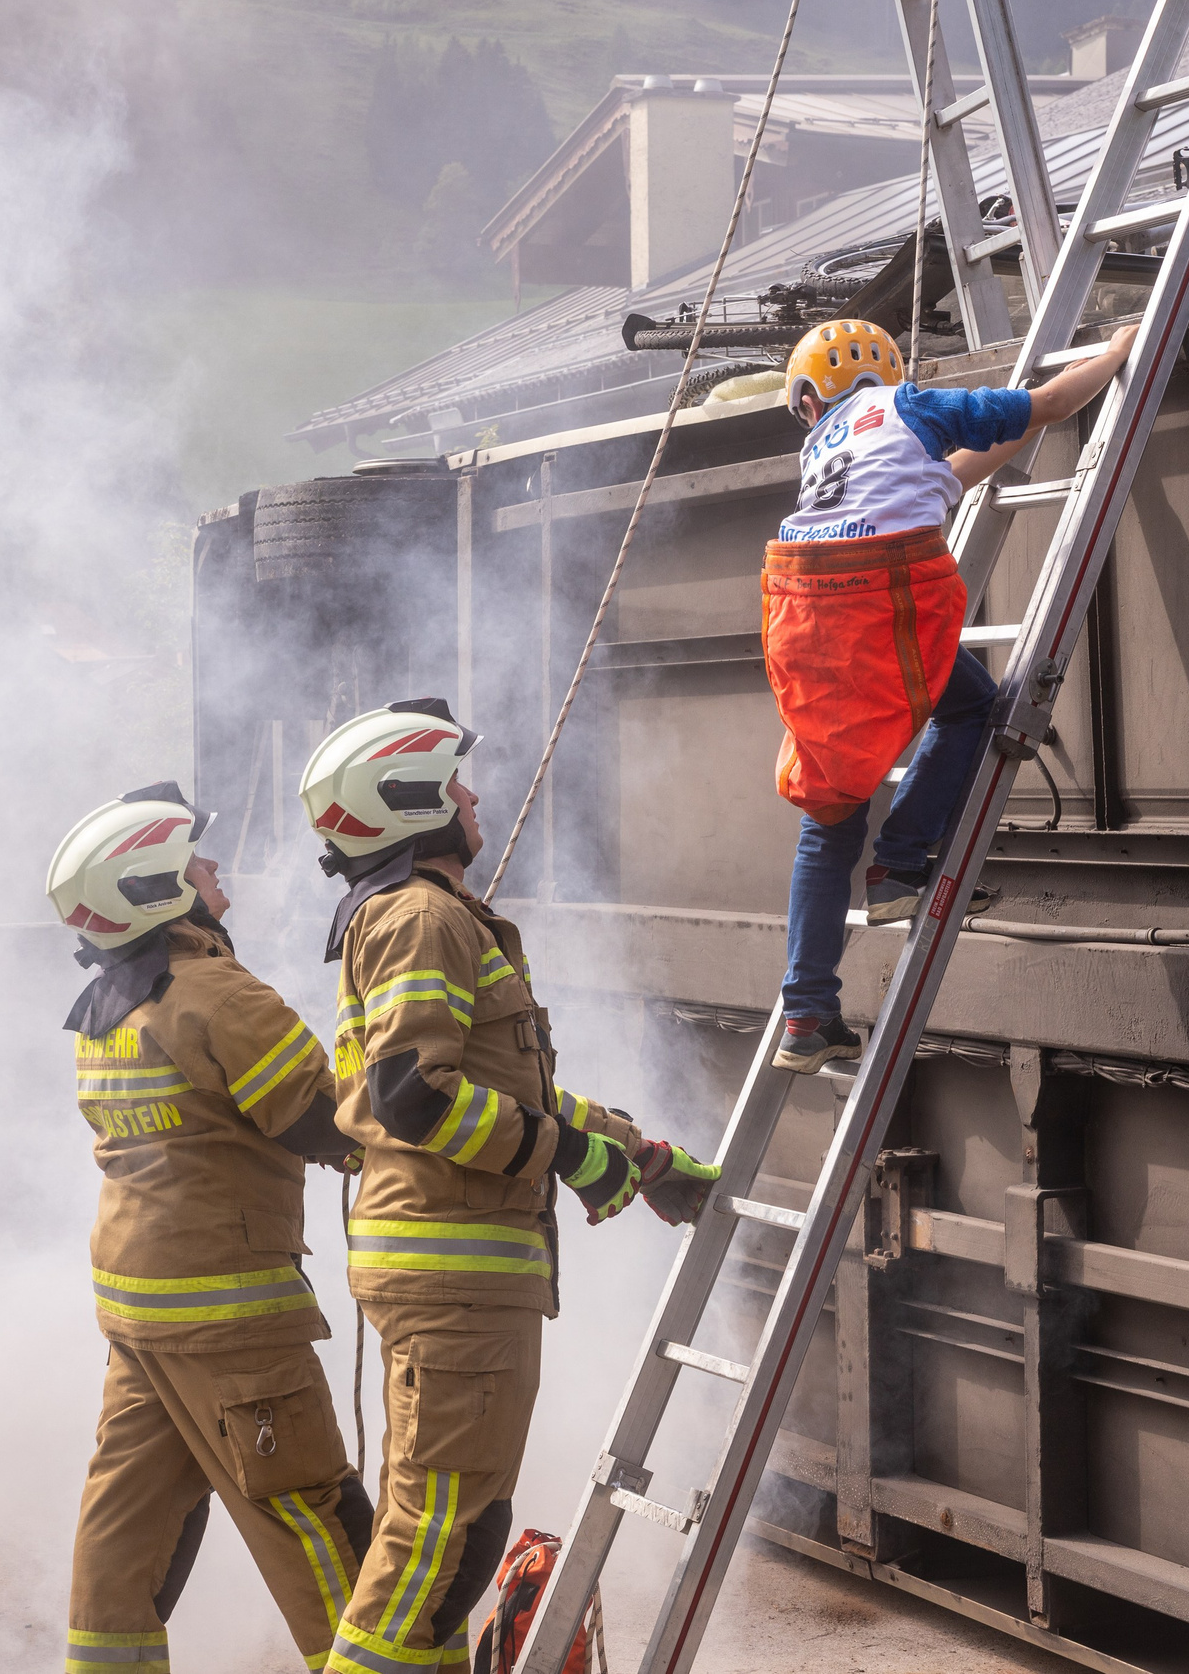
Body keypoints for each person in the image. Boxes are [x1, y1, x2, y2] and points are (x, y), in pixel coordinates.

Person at [298, 699, 721, 1674]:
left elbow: (494, 1086)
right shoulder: (418, 918)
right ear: (407, 806)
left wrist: (631, 1151)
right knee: (436, 1551)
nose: (474, 795)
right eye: (451, 783)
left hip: (456, 1282)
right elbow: (413, 1097)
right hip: (454, 1285)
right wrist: (569, 1156)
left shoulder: (426, 919)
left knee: (449, 1545)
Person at [47, 780, 373, 1674]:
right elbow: (320, 1117)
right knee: (312, 1511)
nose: (215, 865)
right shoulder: (212, 992)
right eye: (194, 859)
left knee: (128, 1519)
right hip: (230, 1319)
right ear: (158, 890)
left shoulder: (103, 1008)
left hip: (143, 1315)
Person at [764, 316, 1141, 1072]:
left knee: (830, 809)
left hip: (800, 607)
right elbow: (1051, 406)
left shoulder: (822, 448)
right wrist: (1116, 354)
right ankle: (900, 863)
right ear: (890, 374)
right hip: (883, 593)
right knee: (970, 707)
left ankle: (807, 1013)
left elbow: (948, 473)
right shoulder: (914, 407)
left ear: (813, 403)